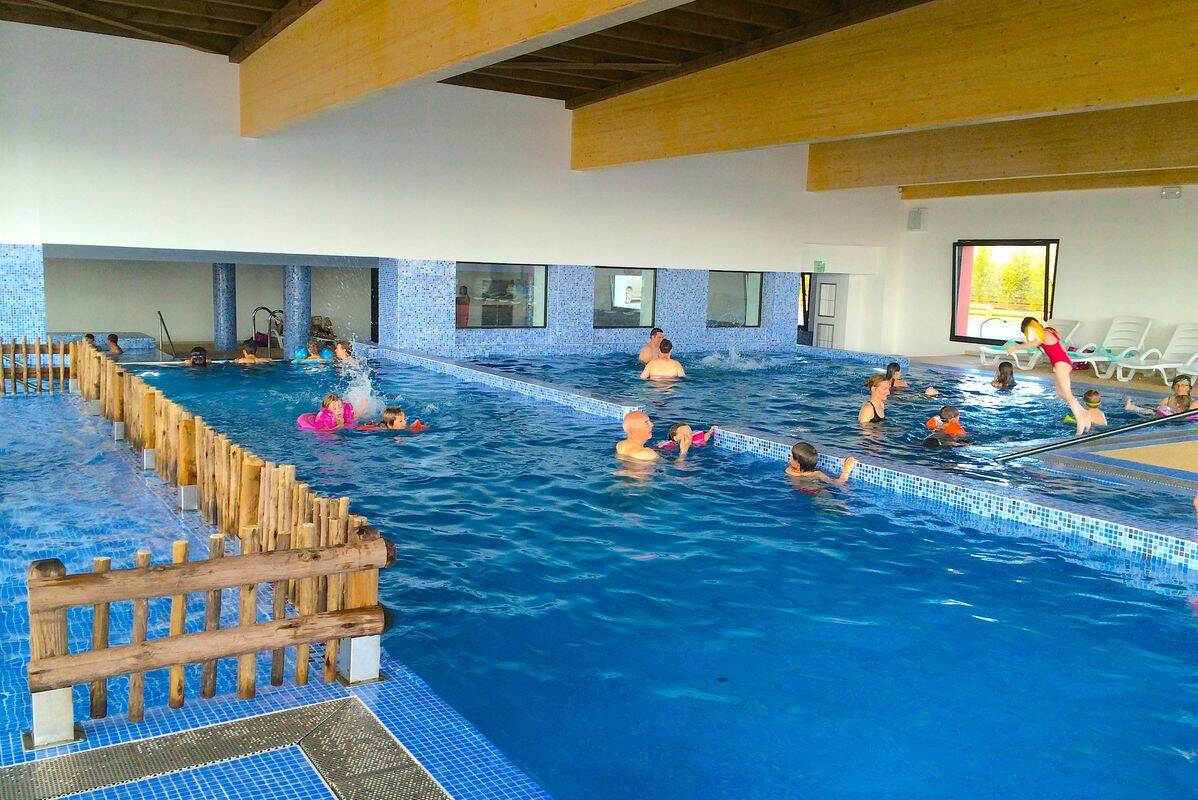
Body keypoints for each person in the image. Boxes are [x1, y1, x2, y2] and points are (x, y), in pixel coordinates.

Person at [1002, 317, 1090, 435]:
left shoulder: (1043, 334)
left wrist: (1015, 347)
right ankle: (1083, 413)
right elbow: (1062, 348)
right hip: (1062, 363)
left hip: (1061, 364)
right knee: (1060, 393)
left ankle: (1080, 421)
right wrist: (1063, 363)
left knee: (1068, 395)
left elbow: (1034, 343)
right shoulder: (1049, 331)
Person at [785, 442, 857, 486]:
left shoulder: (789, 471)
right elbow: (838, 483)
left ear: (797, 462)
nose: (789, 456)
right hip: (816, 492)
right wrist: (846, 471)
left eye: (791, 456)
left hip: (806, 492)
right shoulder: (816, 474)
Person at [1125, 375, 1196, 416]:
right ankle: (1132, 407)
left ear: (1189, 388)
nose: (1180, 388)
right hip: (1166, 423)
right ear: (1173, 388)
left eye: (1183, 385)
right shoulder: (1167, 400)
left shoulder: (1194, 403)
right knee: (1151, 411)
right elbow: (1157, 412)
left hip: (1183, 424)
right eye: (1177, 385)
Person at [358, 406, 428, 433]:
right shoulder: (381, 428)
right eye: (401, 421)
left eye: (404, 419)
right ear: (390, 425)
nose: (404, 422)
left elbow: (414, 425)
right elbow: (361, 429)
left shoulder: (402, 426)